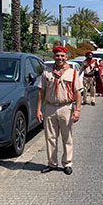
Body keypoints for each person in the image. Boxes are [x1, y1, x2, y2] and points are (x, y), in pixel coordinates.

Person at [37, 46, 83, 176]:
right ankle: (52, 163)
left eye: (62, 56)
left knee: (67, 137)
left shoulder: (72, 73)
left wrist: (77, 110)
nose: (60, 58)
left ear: (66, 57)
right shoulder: (47, 73)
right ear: (54, 57)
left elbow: (78, 93)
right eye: (57, 55)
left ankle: (67, 163)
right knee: (50, 138)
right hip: (50, 108)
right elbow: (41, 92)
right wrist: (38, 110)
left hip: (66, 108)